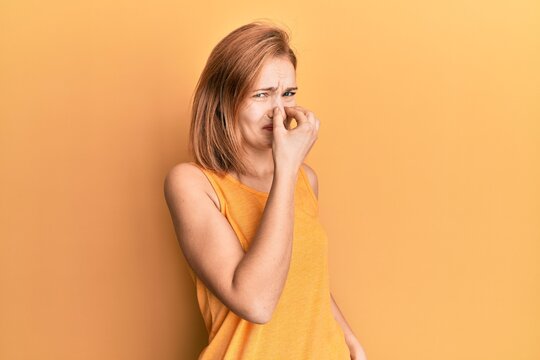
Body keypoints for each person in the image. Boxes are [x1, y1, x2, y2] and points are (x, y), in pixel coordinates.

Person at [164, 21, 367, 359]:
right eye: (261, 94)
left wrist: (350, 341)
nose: (278, 110)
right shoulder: (192, 184)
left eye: (288, 93)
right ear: (222, 101)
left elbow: (301, 274)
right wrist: (286, 169)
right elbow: (256, 302)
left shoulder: (306, 179)